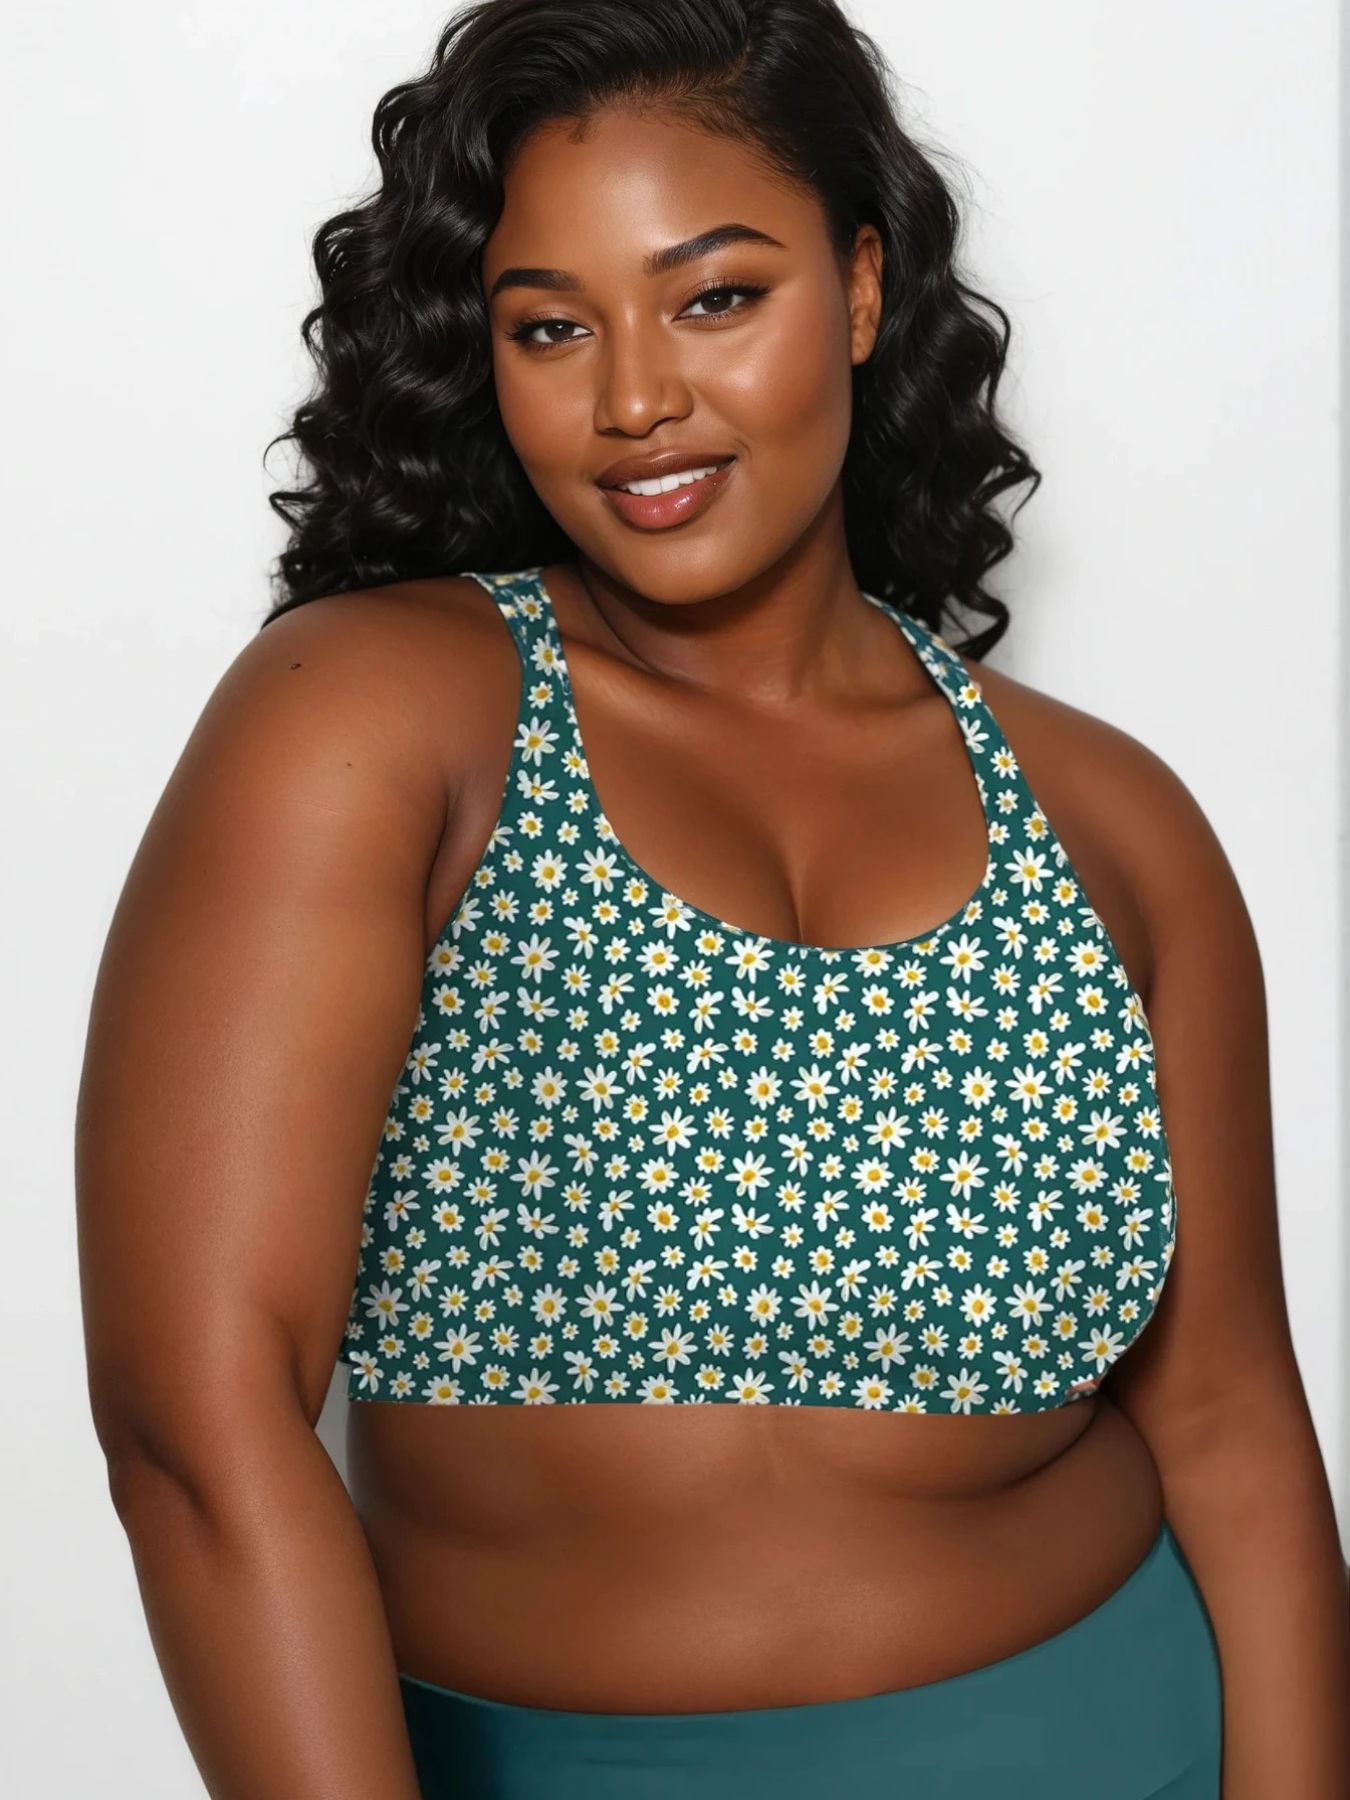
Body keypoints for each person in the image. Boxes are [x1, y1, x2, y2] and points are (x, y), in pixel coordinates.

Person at [75, 1, 1350, 1795]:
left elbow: (1227, 1426)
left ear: (857, 287)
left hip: (1116, 1729)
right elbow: (197, 1425)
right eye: (548, 327)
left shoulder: (1110, 822)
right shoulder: (378, 717)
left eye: (714, 296)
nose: (631, 400)